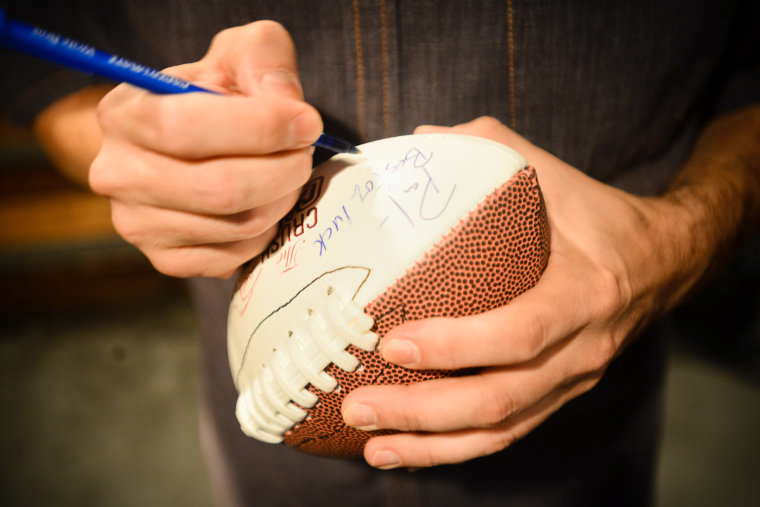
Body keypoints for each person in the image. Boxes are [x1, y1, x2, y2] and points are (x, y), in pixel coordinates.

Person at [2, 1, 759, 505]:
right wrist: (147, 157)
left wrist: (676, 236)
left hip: (585, 424)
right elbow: (44, 60)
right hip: (274, 408)